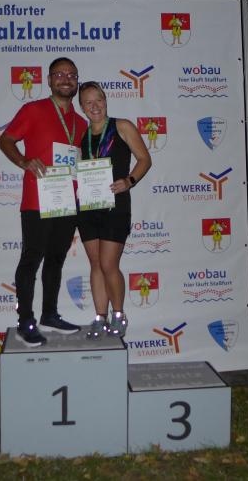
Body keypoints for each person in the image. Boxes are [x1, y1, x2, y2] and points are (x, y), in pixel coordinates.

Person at [0, 57, 87, 346]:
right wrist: (24, 161)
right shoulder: (33, 110)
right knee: (31, 258)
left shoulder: (81, 122)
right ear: (49, 80)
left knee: (56, 259)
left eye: (71, 75)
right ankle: (25, 320)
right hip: (37, 200)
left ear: (77, 81)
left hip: (67, 201)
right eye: (59, 74)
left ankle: (50, 314)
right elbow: (5, 140)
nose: (66, 79)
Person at [76, 81, 151, 338]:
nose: (95, 106)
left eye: (99, 100)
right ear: (82, 107)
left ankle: (118, 314)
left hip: (115, 205)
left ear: (105, 100)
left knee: (109, 264)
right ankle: (100, 317)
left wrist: (129, 181)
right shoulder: (80, 135)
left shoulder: (122, 126)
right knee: (95, 263)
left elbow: (145, 159)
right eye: (88, 102)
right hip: (87, 207)